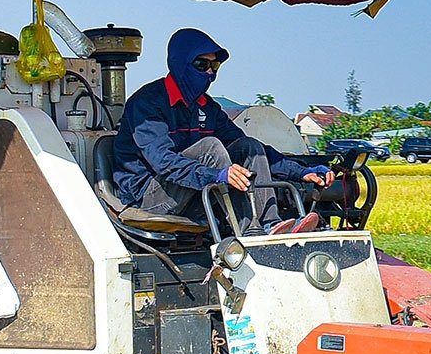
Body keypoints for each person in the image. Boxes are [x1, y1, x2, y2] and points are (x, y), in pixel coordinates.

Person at [110, 27, 328, 230]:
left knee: (248, 147)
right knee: (210, 148)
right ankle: (249, 231)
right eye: (201, 65)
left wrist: (302, 172)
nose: (209, 73)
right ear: (180, 63)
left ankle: (271, 224)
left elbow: (244, 147)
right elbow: (164, 163)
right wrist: (217, 175)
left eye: (214, 66)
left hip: (193, 192)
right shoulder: (147, 103)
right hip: (147, 200)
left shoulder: (206, 106)